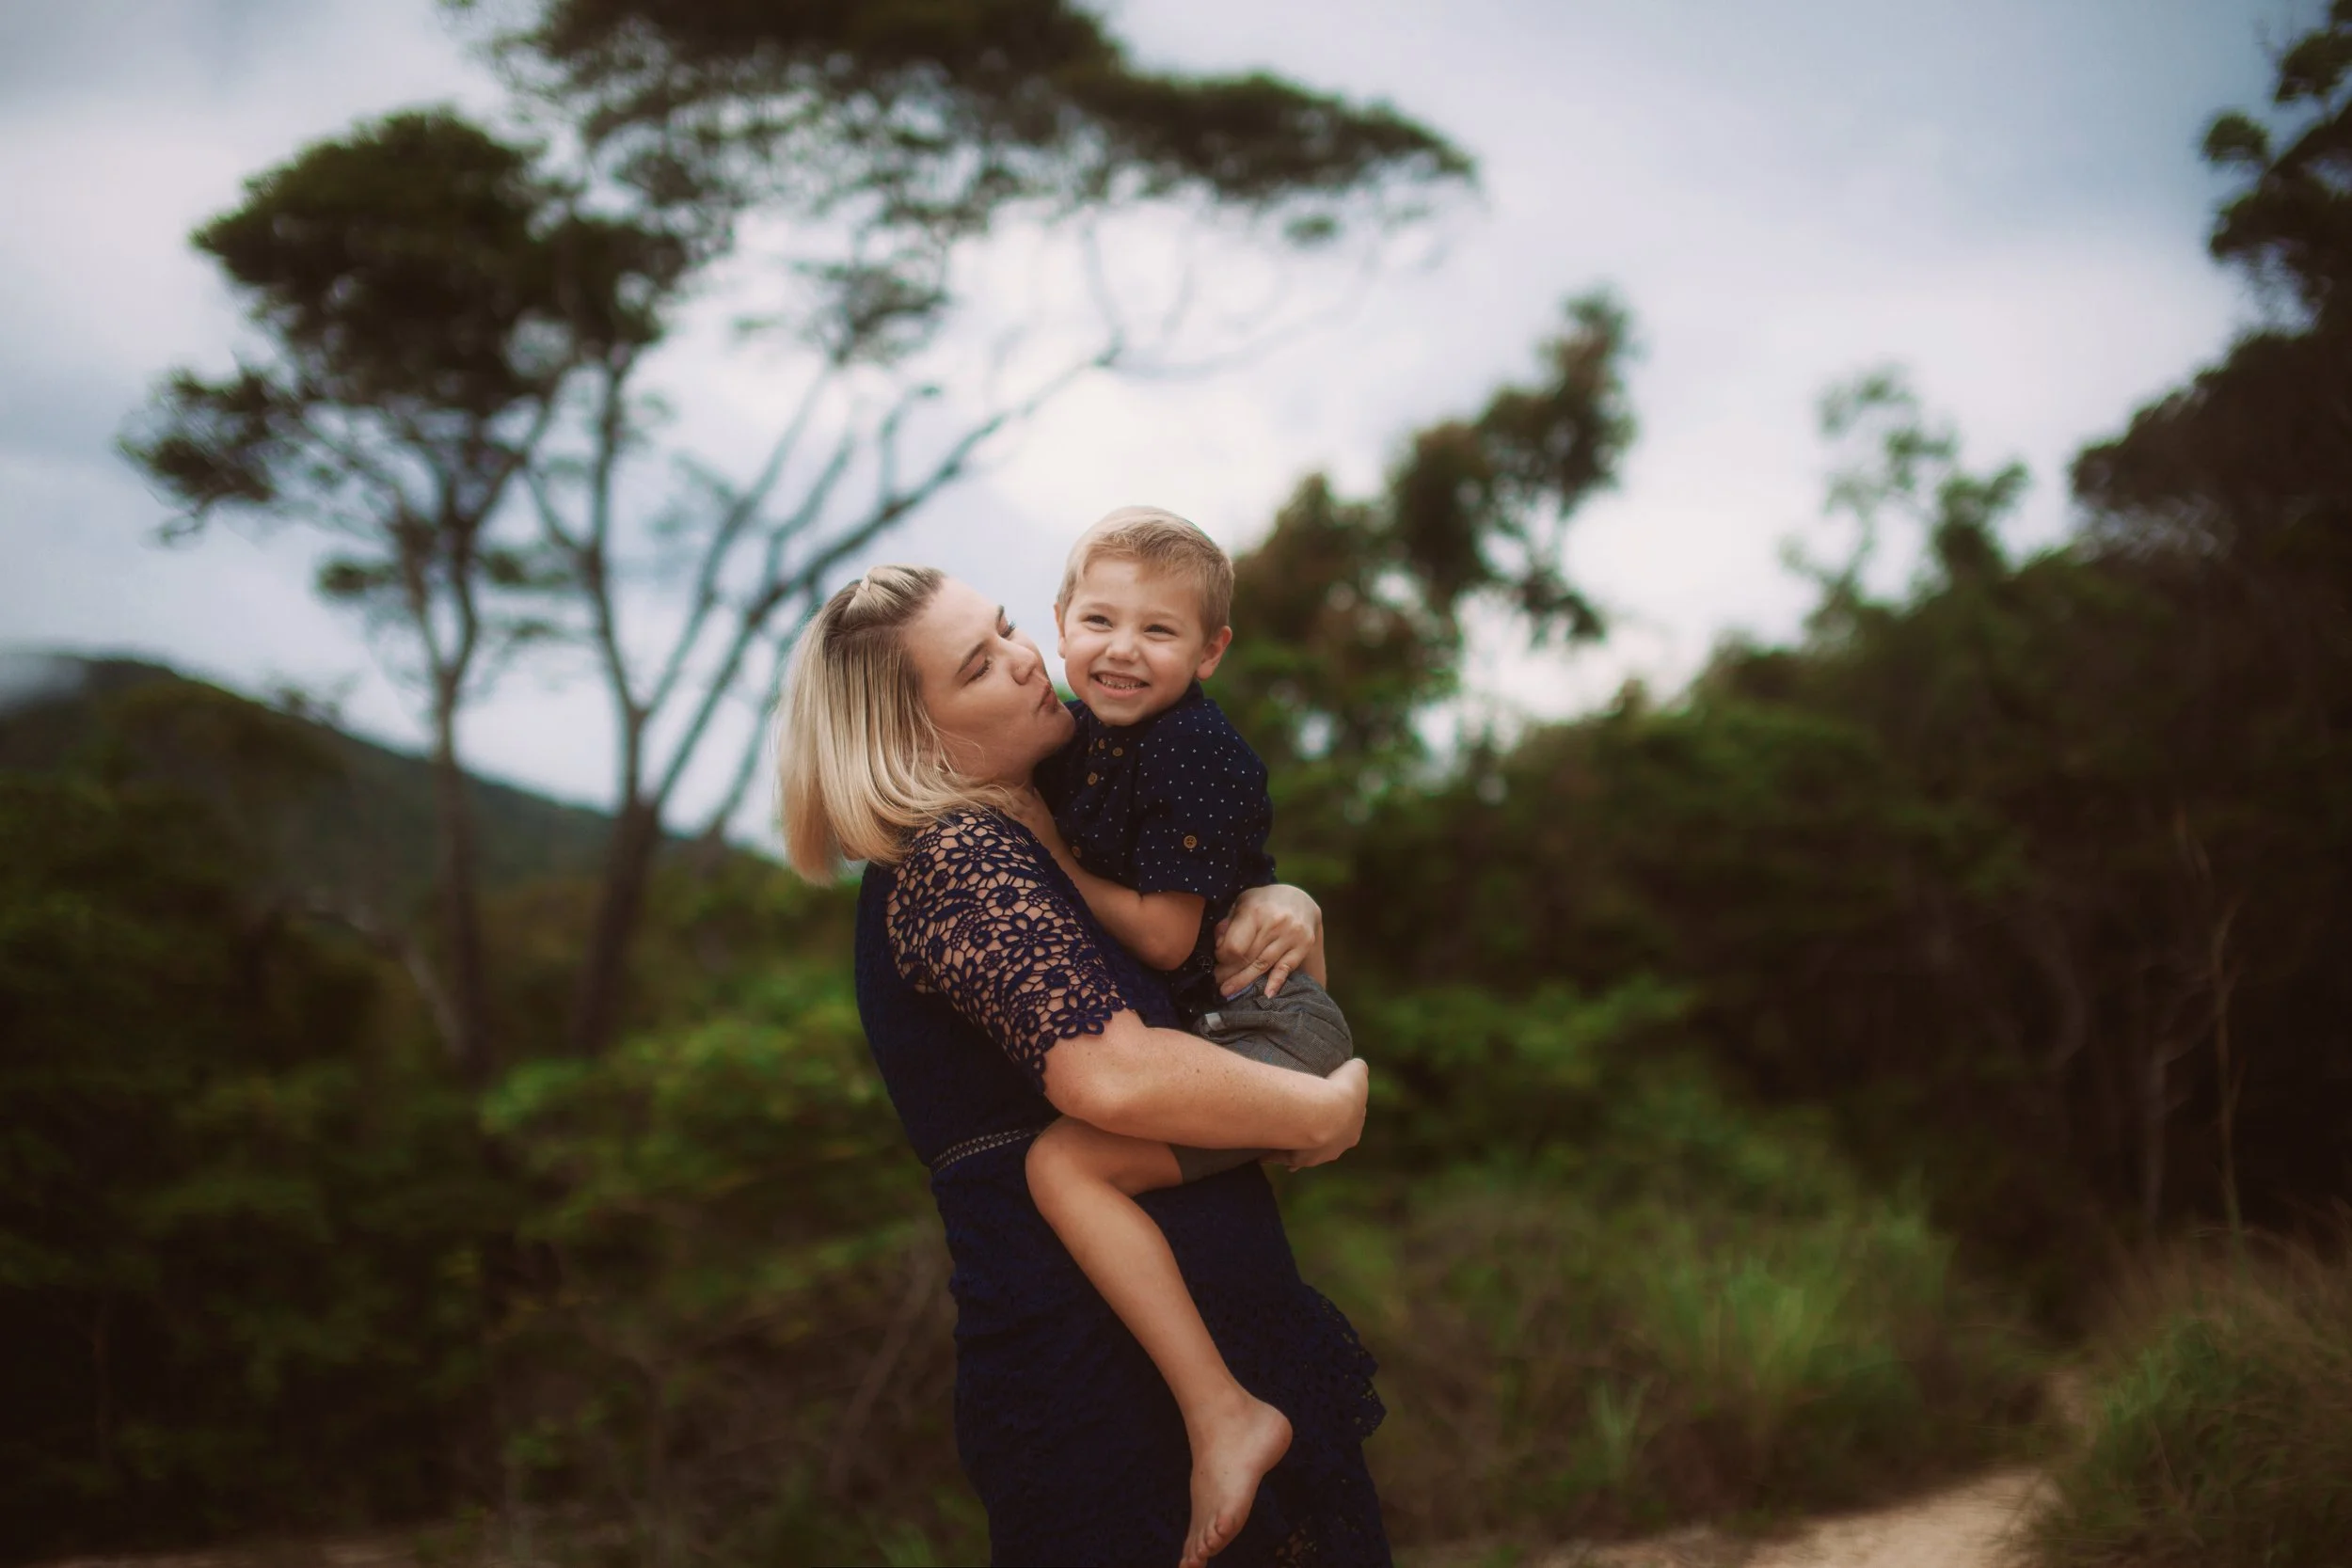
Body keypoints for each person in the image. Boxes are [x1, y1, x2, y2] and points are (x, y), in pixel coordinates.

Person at [780, 564, 1390, 1567]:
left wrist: (1280, 903)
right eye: (979, 665)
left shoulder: (1059, 819)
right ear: (911, 740)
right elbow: (1109, 1074)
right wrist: (1318, 1112)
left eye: (1007, 628)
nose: (1027, 660)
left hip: (1204, 1325)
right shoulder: (954, 856)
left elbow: (1190, 956)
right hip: (1100, 1361)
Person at [1009, 507, 1360, 1563]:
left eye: (1158, 631)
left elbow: (1166, 938)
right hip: (1220, 1023)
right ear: (1060, 622)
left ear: (1210, 652)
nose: (1123, 648)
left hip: (1263, 1025)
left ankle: (1227, 1413)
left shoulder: (1196, 751)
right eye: (1100, 620)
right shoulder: (1081, 734)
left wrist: (1047, 857)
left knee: (1065, 1164)